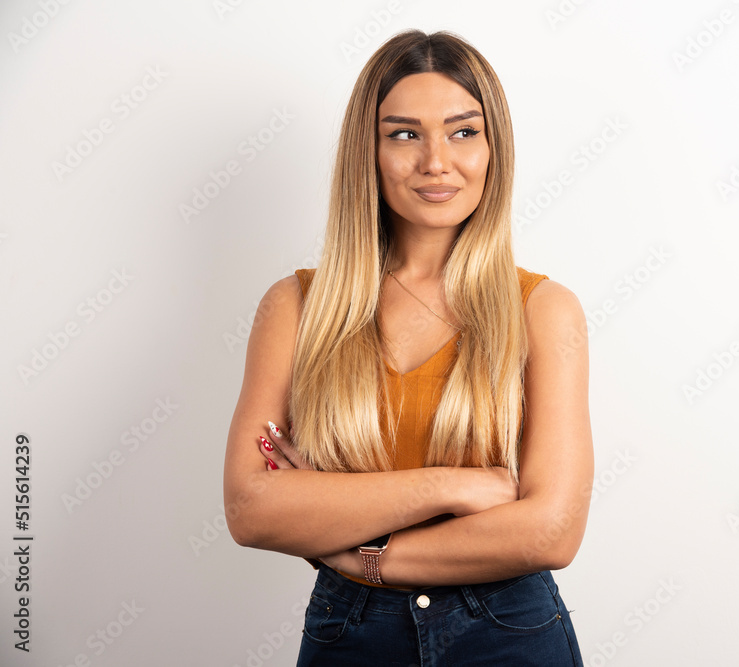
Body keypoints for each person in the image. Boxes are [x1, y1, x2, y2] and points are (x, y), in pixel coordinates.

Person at [223, 28, 593, 666]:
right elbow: (251, 506)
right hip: (350, 636)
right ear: (366, 151)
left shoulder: (542, 310)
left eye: (462, 131)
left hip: (508, 632)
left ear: (493, 147)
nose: (435, 162)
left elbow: (551, 530)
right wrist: (451, 487)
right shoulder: (297, 307)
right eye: (403, 133)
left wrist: (362, 555)